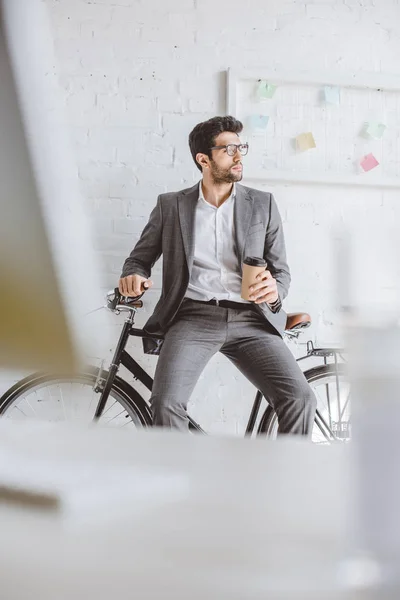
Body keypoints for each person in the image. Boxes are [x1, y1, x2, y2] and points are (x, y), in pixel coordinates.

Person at [119, 115, 317, 435]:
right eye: (229, 150)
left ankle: (287, 480)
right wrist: (133, 276)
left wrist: (274, 289)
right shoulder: (171, 206)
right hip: (193, 316)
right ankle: (185, 482)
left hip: (253, 318)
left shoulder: (262, 204)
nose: (239, 156)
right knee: (165, 403)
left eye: (241, 148)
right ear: (204, 159)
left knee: (299, 398)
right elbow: (138, 260)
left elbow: (281, 271)